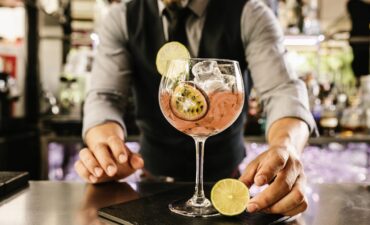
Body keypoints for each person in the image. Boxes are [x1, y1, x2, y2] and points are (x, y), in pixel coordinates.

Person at [75, 0, 316, 216]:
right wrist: (105, 148)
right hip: (149, 183)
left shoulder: (249, 13)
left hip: (227, 186)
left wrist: (286, 146)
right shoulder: (122, 18)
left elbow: (281, 90)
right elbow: (105, 96)